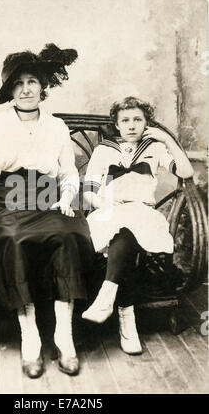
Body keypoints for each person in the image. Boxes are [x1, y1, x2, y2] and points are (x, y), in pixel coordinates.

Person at [0, 43, 94, 378]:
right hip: (7, 197)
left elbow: (68, 169)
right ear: (10, 91)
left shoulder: (56, 126)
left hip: (48, 194)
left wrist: (68, 191)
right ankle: (30, 337)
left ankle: (63, 336)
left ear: (42, 86)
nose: (26, 89)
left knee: (68, 233)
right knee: (13, 239)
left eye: (32, 81)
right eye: (18, 83)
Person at [82, 96, 194, 354]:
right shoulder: (104, 149)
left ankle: (107, 298)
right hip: (110, 210)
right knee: (122, 231)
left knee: (130, 227)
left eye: (137, 119)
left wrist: (168, 139)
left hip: (143, 213)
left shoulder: (154, 148)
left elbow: (186, 172)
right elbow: (89, 188)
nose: (131, 125)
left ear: (146, 123)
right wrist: (105, 201)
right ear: (116, 125)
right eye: (125, 120)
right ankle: (126, 320)